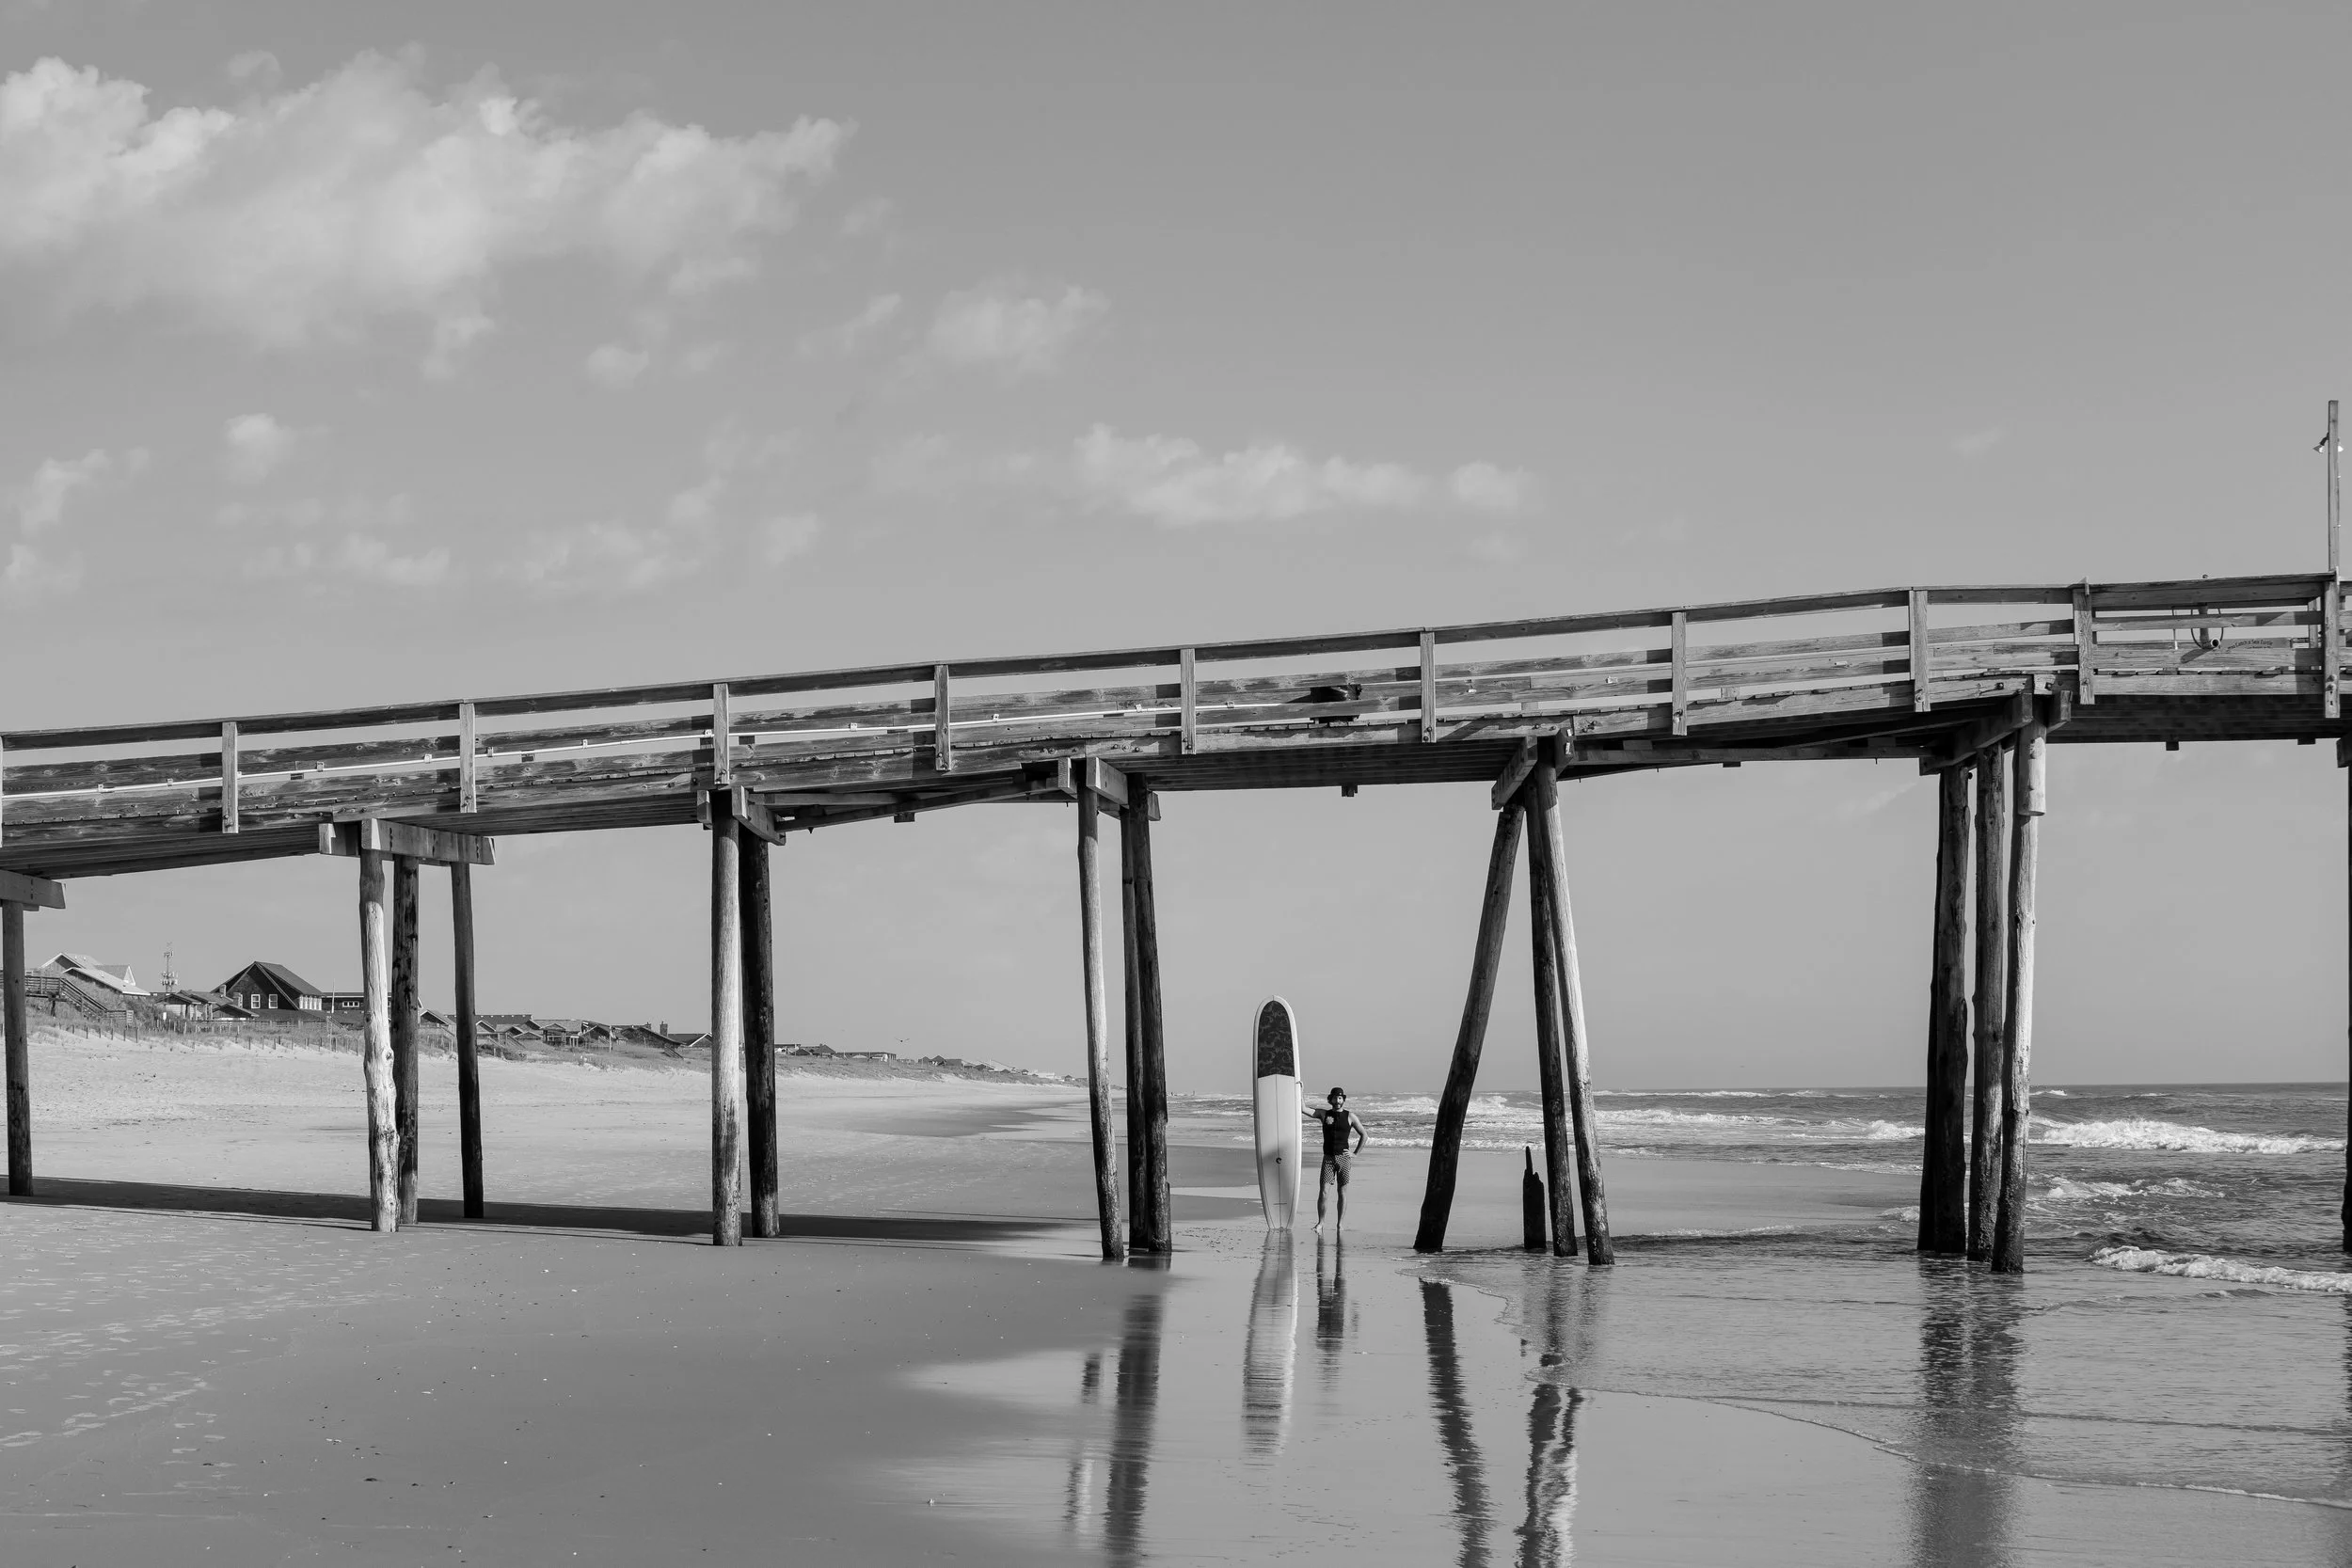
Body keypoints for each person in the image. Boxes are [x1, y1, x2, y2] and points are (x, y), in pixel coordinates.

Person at [1305, 1086, 1366, 1233]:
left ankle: (1340, 1224)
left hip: (1344, 1159)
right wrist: (1299, 1089)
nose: (1337, 1100)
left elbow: (1364, 1134)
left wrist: (1355, 1153)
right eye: (1335, 1098)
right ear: (1330, 1100)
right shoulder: (1323, 1114)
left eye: (1340, 1098)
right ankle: (1320, 1223)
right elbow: (1303, 1108)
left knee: (1342, 1192)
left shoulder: (1350, 1116)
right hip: (1328, 1158)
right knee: (1324, 1192)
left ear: (1343, 1100)